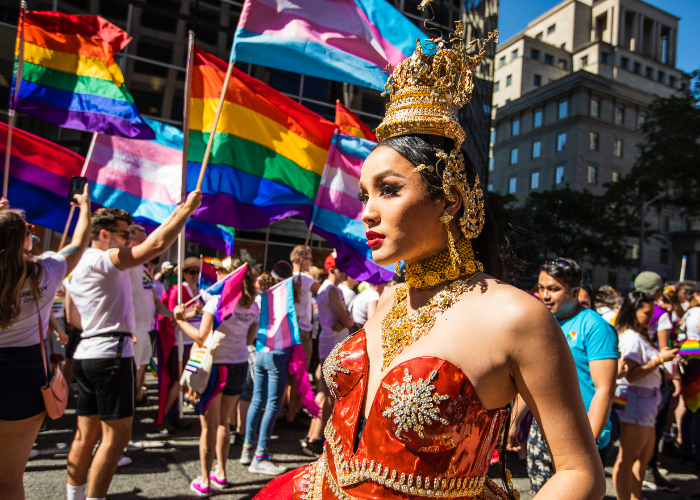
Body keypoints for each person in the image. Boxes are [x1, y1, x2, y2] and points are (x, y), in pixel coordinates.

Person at [256, 23, 605, 500]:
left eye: (390, 189)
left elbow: (578, 472)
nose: (367, 212)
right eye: (364, 194)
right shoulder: (389, 297)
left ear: (450, 201)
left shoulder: (516, 316)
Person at [64, 190, 201, 500]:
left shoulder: (75, 261)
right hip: (111, 353)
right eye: (124, 234)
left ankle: (75, 497)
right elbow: (154, 245)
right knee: (116, 438)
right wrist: (185, 211)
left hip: (88, 350)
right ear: (103, 234)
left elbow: (73, 317)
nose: (128, 240)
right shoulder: (103, 258)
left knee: (85, 436)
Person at [0, 186, 91, 500]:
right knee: (9, 480)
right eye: (28, 230)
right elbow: (79, 243)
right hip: (23, 376)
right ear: (23, 240)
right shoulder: (45, 271)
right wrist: (84, 207)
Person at [524, 258, 618, 492]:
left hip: (581, 433)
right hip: (542, 430)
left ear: (575, 291)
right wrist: (515, 422)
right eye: (541, 288)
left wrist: (592, 441)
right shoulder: (543, 323)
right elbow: (531, 377)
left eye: (554, 289)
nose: (545, 295)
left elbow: (604, 388)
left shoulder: (595, 327)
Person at [173, 258, 258, 495]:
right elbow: (249, 340)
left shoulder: (217, 301)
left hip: (216, 368)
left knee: (208, 427)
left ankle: (204, 480)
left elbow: (201, 337)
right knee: (224, 423)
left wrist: (180, 321)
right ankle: (220, 473)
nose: (217, 273)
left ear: (229, 276)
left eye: (221, 270)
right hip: (238, 365)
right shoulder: (252, 305)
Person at [612, 291, 679, 500]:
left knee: (643, 455)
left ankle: (635, 496)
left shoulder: (638, 335)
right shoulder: (631, 338)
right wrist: (659, 359)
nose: (651, 318)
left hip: (645, 399)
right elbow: (630, 375)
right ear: (633, 312)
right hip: (636, 399)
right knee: (629, 456)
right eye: (647, 313)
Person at [301, 254, 355, 457]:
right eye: (342, 268)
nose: (346, 272)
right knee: (326, 393)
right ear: (333, 269)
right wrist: (347, 319)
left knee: (324, 392)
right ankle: (314, 438)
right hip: (332, 343)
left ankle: (313, 437)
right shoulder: (331, 290)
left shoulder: (326, 288)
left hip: (329, 342)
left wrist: (345, 319)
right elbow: (349, 322)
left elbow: (344, 319)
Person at [633, 272, 678, 491]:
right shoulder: (660, 314)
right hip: (651, 376)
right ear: (658, 291)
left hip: (630, 378)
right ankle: (648, 468)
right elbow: (664, 349)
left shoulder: (629, 307)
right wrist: (674, 376)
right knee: (653, 427)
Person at [127, 225, 172, 405]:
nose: (146, 244)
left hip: (145, 329)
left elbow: (154, 301)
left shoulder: (142, 269)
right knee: (132, 370)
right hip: (133, 330)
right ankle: (127, 407)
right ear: (129, 241)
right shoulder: (126, 267)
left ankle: (135, 401)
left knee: (141, 368)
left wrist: (177, 315)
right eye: (142, 240)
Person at [158, 255, 204, 429]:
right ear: (184, 274)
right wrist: (192, 314)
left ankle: (174, 415)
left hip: (191, 343)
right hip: (180, 343)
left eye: (197, 272)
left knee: (185, 382)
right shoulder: (178, 291)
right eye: (192, 272)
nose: (195, 275)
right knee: (178, 381)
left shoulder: (198, 292)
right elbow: (170, 320)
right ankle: (165, 419)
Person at [284, 246, 321, 423]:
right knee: (300, 374)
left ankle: (284, 412)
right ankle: (293, 414)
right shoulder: (304, 278)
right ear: (300, 259)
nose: (311, 262)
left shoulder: (287, 278)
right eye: (309, 259)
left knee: (288, 374)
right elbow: (322, 291)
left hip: (289, 330)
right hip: (302, 331)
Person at [679, 283, 700, 472]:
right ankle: (692, 452)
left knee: (691, 409)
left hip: (690, 359)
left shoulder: (689, 312)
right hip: (696, 362)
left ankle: (687, 450)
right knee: (696, 410)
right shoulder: (697, 313)